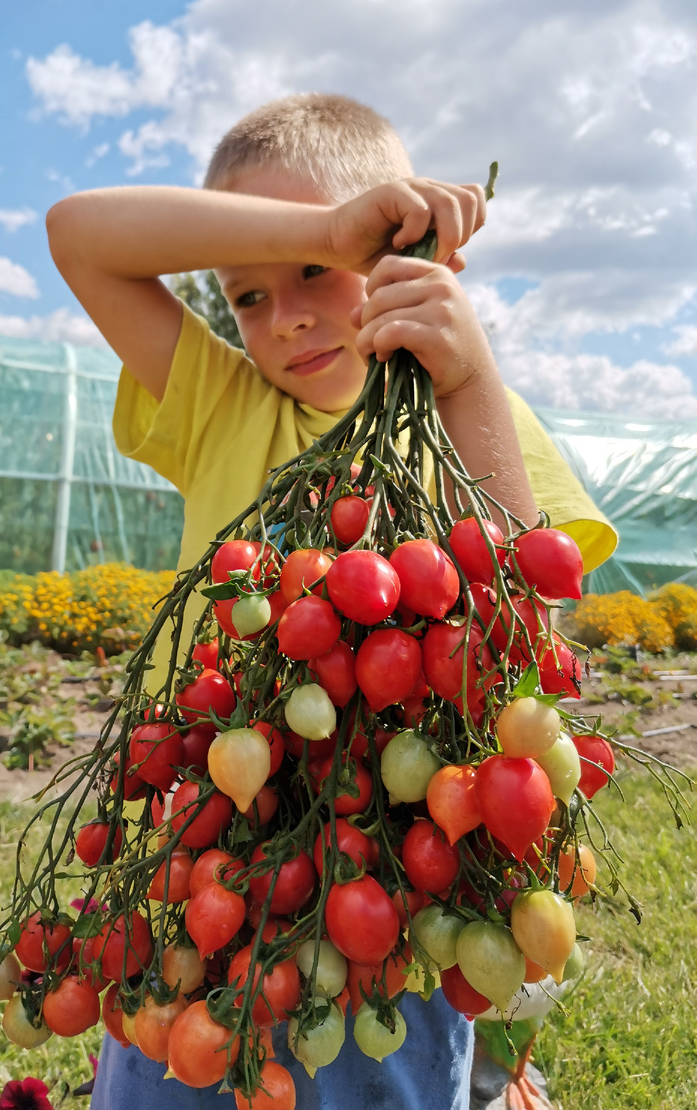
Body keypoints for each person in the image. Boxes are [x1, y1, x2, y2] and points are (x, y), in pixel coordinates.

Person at [45, 93, 616, 1110]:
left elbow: (522, 630)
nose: (287, 315)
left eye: (316, 274)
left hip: (393, 884)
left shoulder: (467, 406)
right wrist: (325, 231)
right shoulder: (226, 406)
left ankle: (490, 1079)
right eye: (247, 298)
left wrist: (471, 374)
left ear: (409, 255)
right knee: (173, 1081)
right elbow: (79, 233)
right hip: (212, 865)